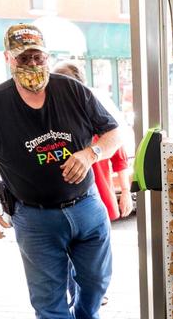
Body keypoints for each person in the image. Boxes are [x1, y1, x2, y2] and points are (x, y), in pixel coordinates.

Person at [0, 25, 122, 319]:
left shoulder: (73, 92)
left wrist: (90, 152)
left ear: (47, 56)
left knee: (97, 278)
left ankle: (86, 318)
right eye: (23, 58)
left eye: (38, 56)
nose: (32, 63)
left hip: (86, 206)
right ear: (9, 59)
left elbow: (114, 134)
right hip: (34, 216)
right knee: (48, 293)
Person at [52, 61, 133, 221]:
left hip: (99, 196)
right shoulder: (51, 117)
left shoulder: (97, 116)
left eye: (65, 81)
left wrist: (125, 192)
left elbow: (120, 156)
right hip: (62, 207)